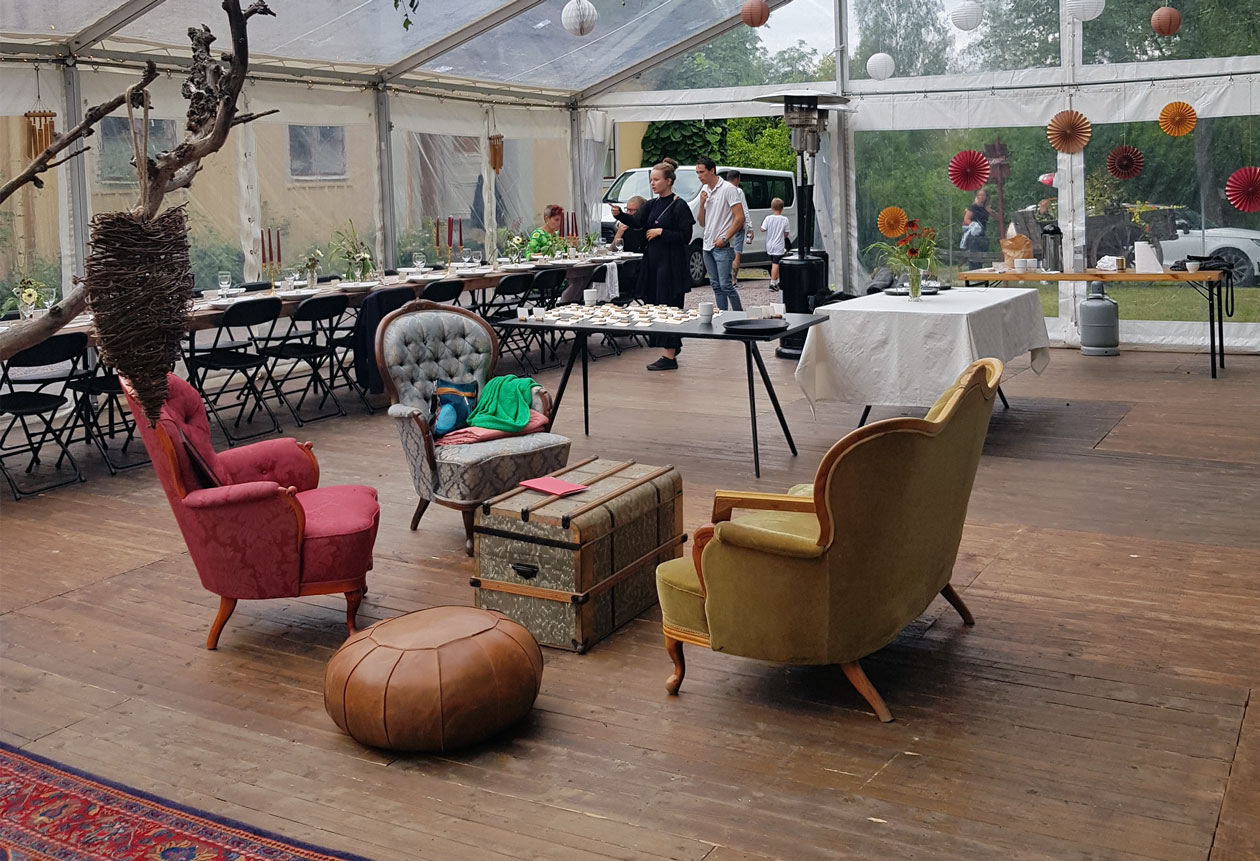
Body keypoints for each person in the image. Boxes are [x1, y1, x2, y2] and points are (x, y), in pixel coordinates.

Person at [611, 160, 696, 371]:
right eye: (651, 180)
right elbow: (637, 222)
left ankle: (669, 355)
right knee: (655, 303)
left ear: (669, 181)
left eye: (656, 180)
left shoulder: (679, 205)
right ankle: (670, 347)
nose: (653, 183)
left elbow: (686, 236)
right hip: (654, 263)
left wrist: (662, 232)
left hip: (671, 263)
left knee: (669, 305)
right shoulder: (651, 204)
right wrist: (620, 215)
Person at [725, 170, 751, 283]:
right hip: (738, 226)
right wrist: (749, 227)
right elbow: (744, 209)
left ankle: (726, 277)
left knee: (726, 252)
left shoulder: (722, 190)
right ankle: (734, 279)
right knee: (737, 252)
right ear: (737, 179)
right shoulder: (738, 191)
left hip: (726, 226)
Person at [760, 197, 790, 292]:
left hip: (769, 244)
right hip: (779, 245)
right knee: (776, 263)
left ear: (772, 208)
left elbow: (762, 229)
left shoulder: (768, 218)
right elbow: (786, 233)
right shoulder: (784, 219)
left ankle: (779, 281)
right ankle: (772, 283)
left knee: (775, 262)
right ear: (782, 208)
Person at [962, 189, 991, 270]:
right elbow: (966, 219)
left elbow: (997, 217)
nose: (981, 197)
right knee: (974, 257)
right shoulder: (973, 207)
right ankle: (973, 273)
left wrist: (990, 212)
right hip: (974, 235)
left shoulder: (985, 208)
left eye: (983, 195)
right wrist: (974, 225)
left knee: (980, 258)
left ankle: (979, 273)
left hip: (982, 234)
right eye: (980, 195)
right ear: (977, 196)